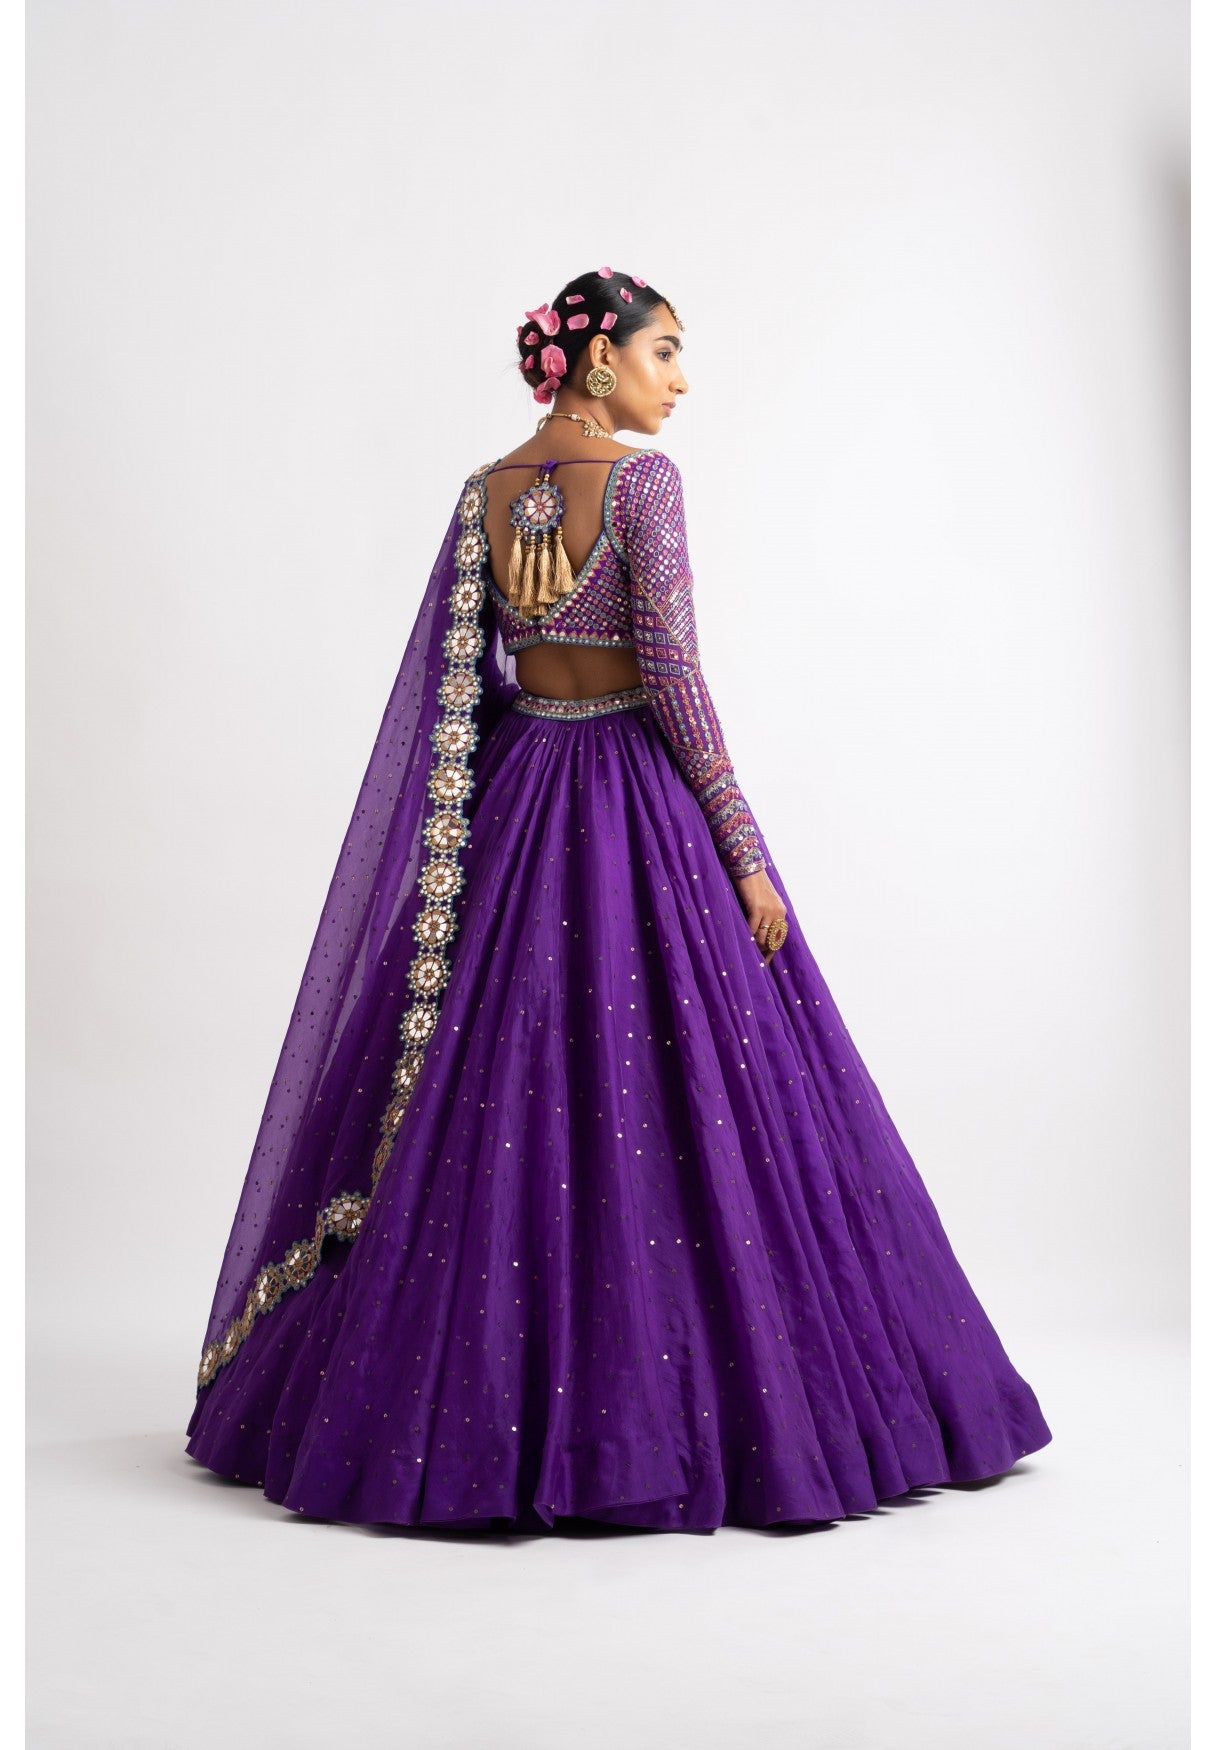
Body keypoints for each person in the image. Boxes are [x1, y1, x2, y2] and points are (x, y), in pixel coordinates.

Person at [184, 265, 1052, 1532]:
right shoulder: (644, 483)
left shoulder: (485, 491)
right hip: (637, 802)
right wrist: (742, 850)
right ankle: (702, 1406)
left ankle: (473, 1408)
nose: (680, 380)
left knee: (500, 1088)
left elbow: (466, 686)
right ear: (598, 362)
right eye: (665, 353)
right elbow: (674, 677)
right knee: (692, 1085)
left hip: (519, 798)